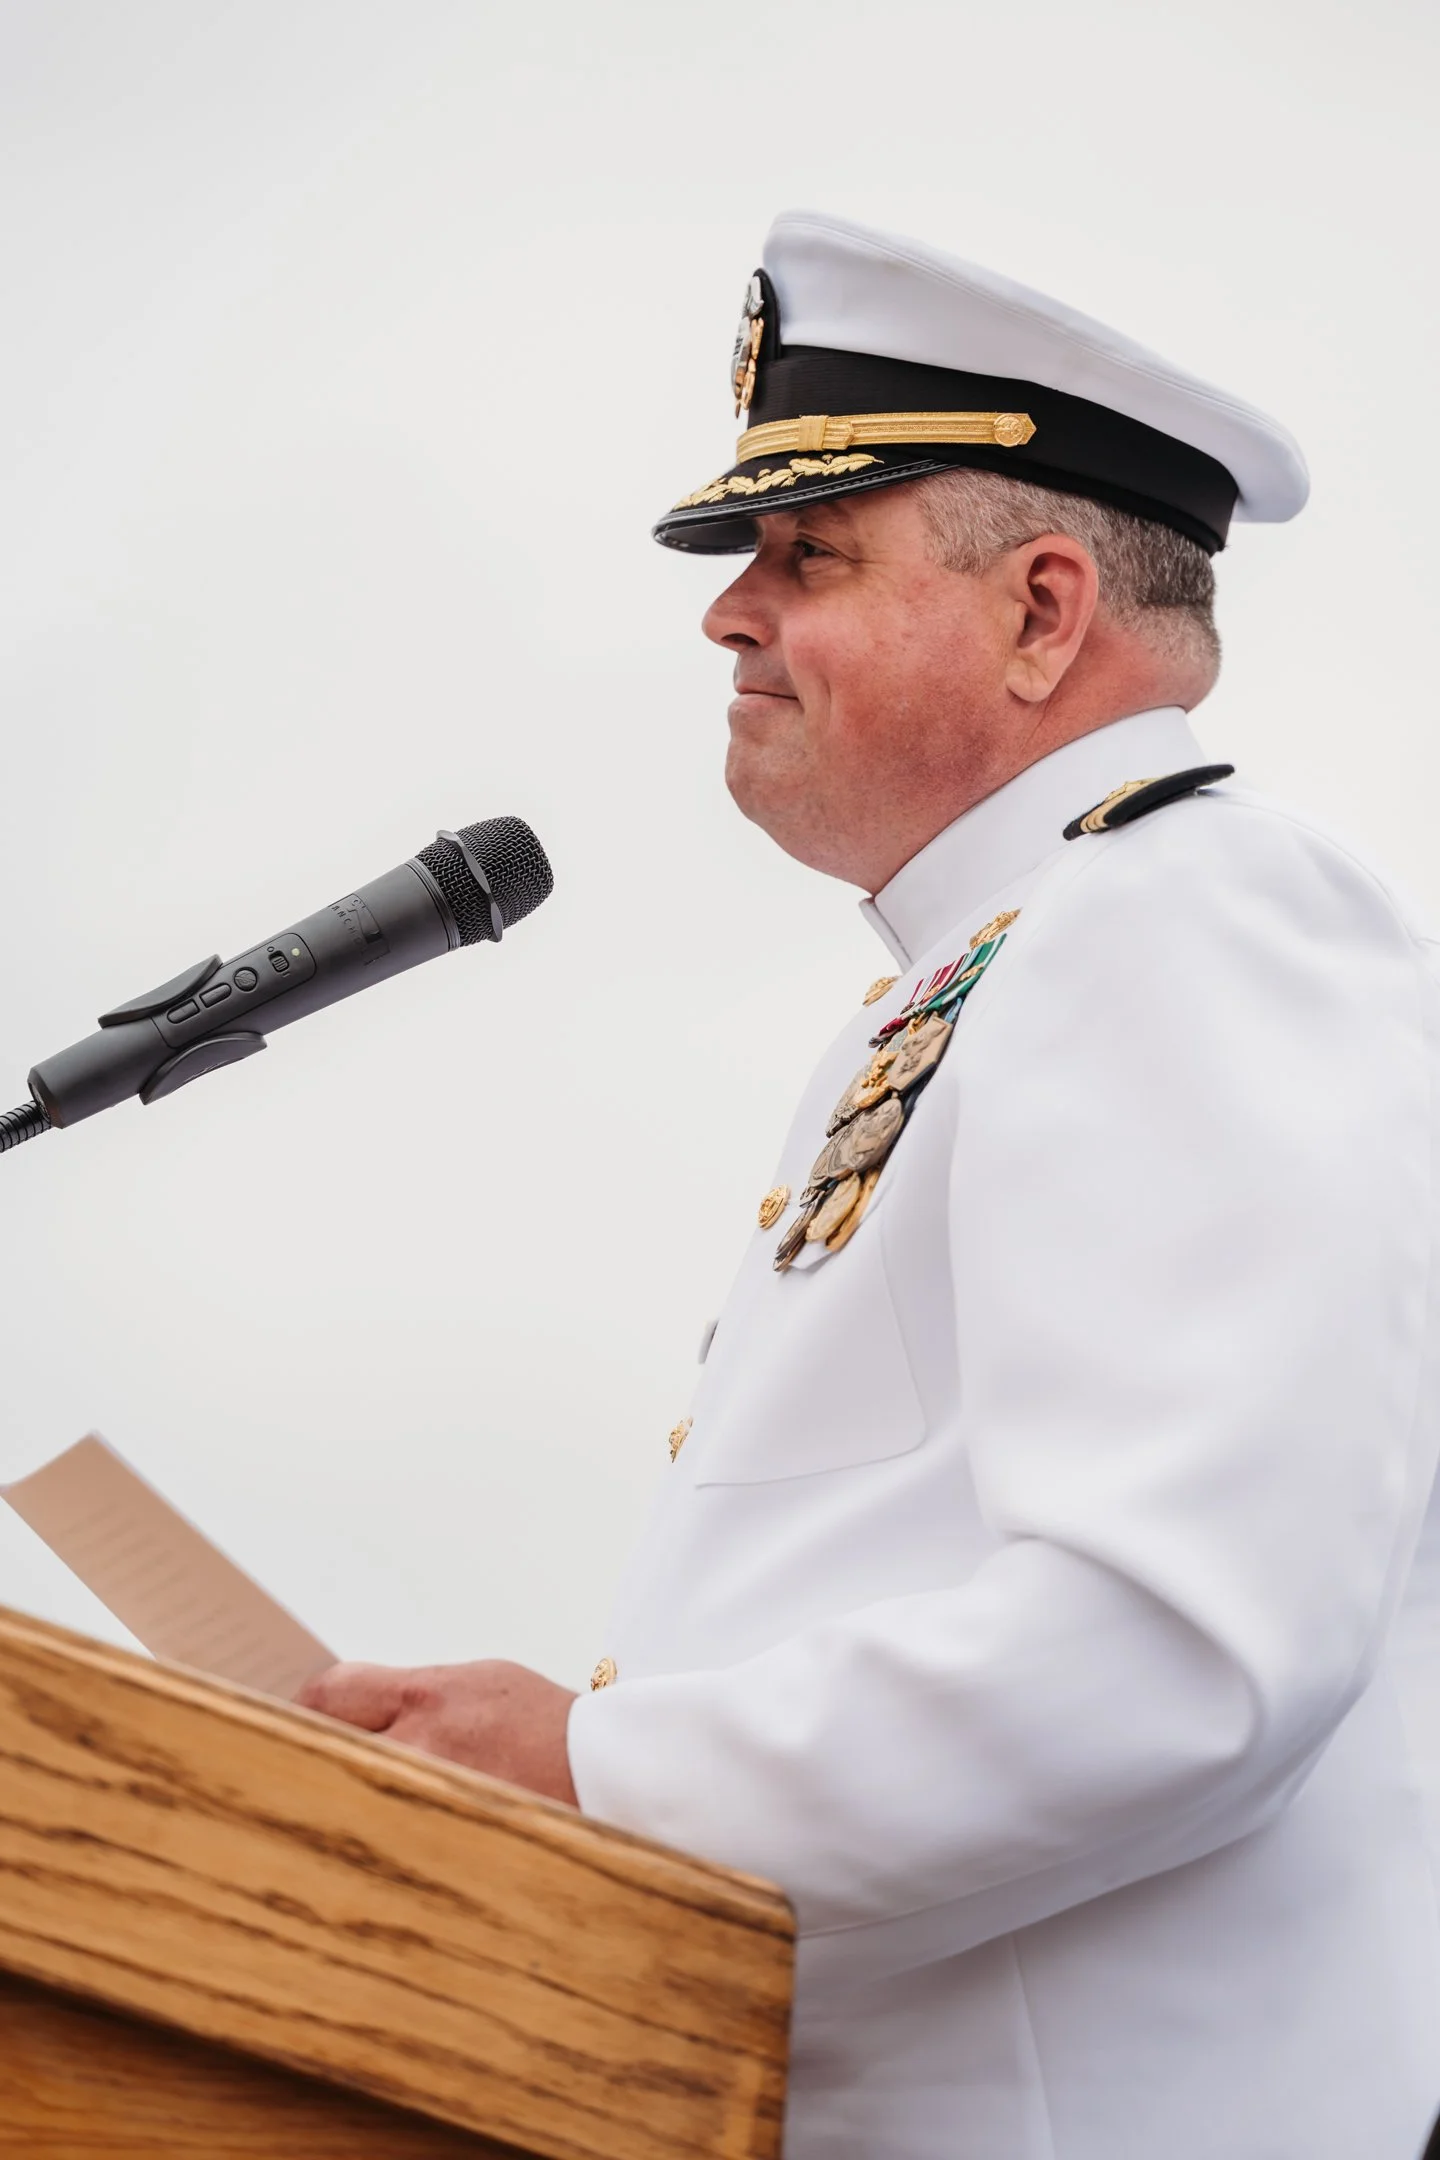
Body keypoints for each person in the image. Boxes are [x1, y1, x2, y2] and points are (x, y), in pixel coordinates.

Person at [299, 211, 1440, 2160]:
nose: (728, 615)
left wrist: (593, 1771)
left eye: (806, 555)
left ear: (1043, 610)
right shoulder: (1013, 953)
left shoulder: (1182, 916)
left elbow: (1176, 1650)